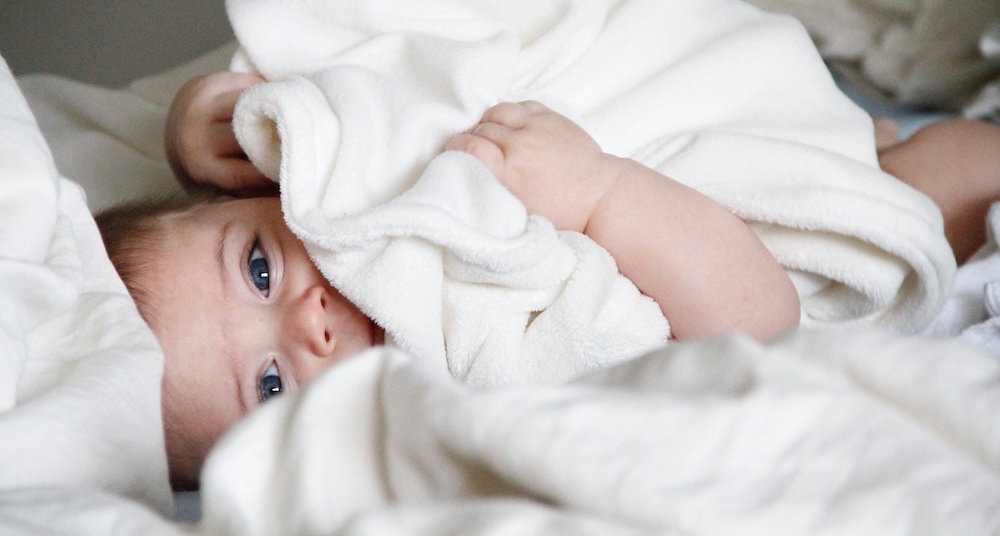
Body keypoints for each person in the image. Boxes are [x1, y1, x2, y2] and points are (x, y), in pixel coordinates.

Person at [98, 71, 1000, 489]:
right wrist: (599, 192)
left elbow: (323, 93)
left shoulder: (357, 188)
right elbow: (760, 325)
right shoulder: (473, 378)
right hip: (745, 239)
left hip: (713, 123)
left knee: (864, 140)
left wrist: (205, 122)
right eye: (270, 382)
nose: (309, 325)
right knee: (936, 184)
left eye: (258, 266)